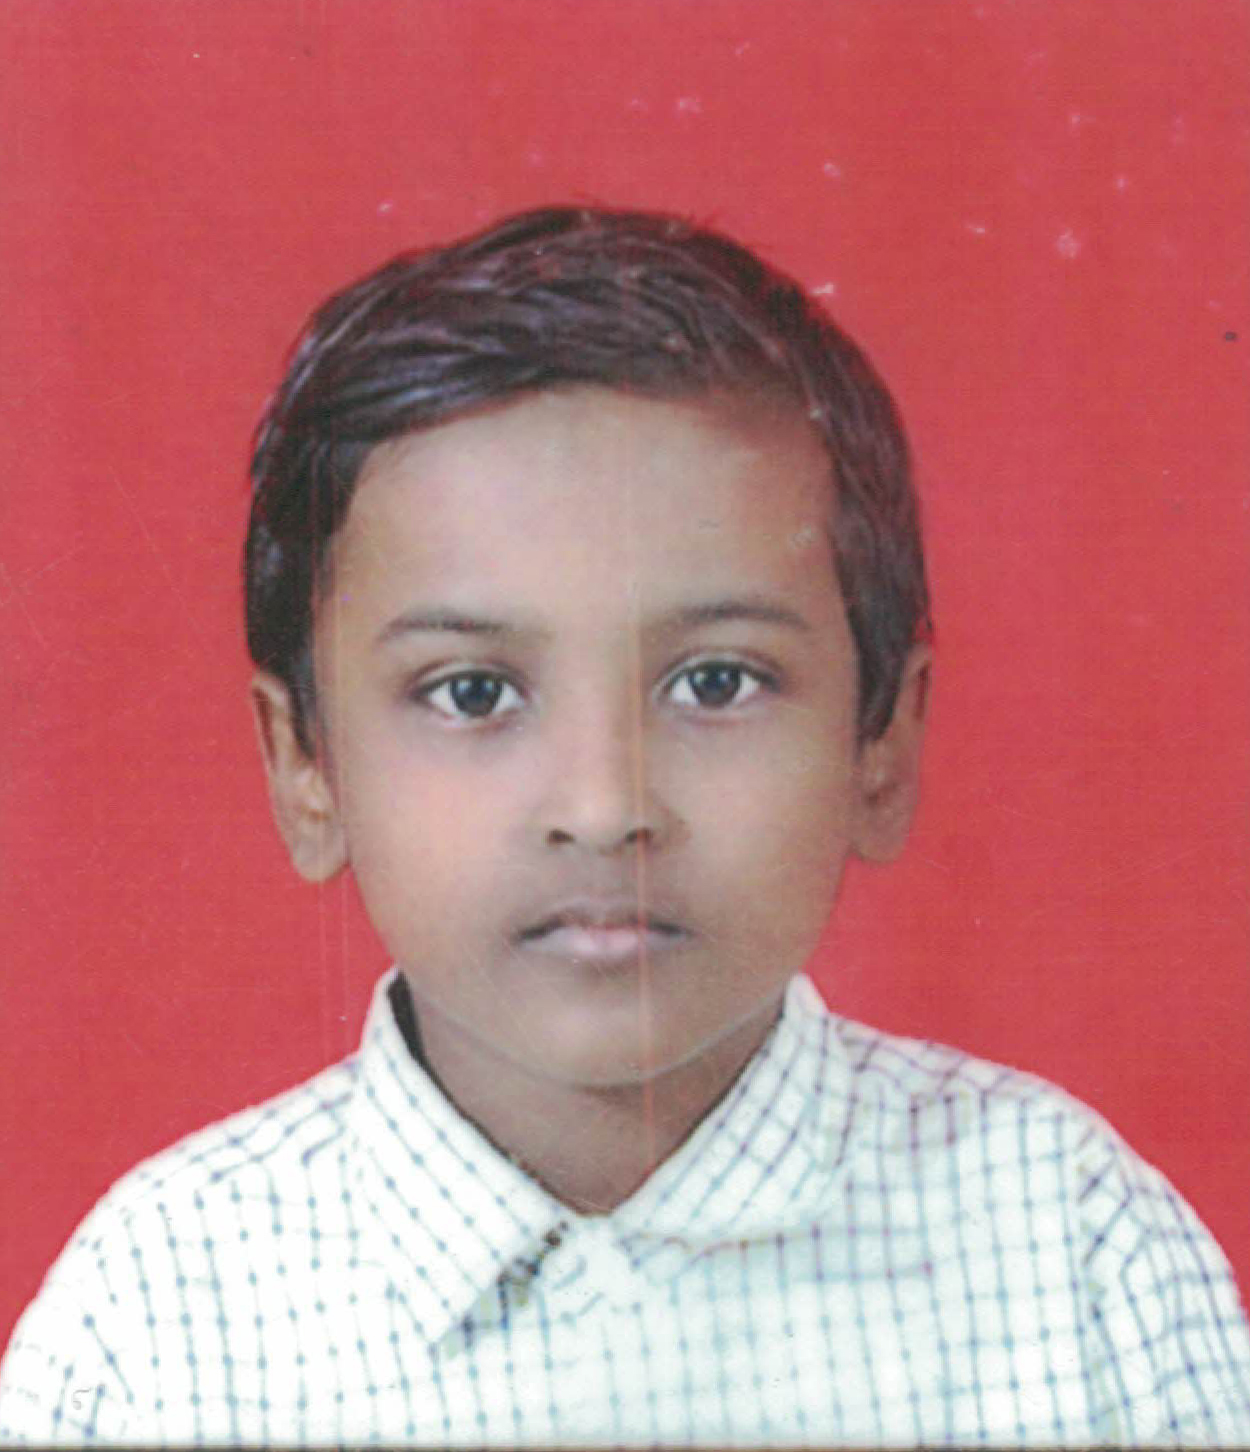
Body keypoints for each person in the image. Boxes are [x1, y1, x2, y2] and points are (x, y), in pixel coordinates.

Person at [2, 206, 1247, 1447]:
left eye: (715, 682)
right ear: (305, 767)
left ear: (881, 740)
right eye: (471, 694)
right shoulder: (158, 1326)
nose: (603, 809)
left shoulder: (1074, 1254)